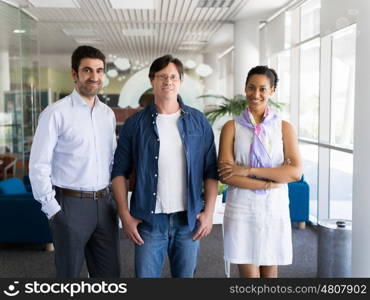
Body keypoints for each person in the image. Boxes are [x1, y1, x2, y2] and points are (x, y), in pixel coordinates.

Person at [111, 54, 218, 278]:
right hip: (149, 222)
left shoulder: (199, 122)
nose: (168, 81)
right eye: (162, 76)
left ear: (180, 81)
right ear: (152, 80)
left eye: (173, 76)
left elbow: (210, 171)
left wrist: (208, 213)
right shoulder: (135, 124)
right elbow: (119, 172)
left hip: (187, 221)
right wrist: (124, 215)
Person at [29, 45, 120, 278]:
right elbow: (38, 165)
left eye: (99, 71)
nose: (94, 77)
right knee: (69, 276)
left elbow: (111, 161)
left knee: (109, 276)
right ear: (74, 74)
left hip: (105, 204)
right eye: (87, 70)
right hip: (70, 206)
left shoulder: (107, 115)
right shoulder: (55, 113)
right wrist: (53, 210)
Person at [218, 65, 302, 278]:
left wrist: (247, 171)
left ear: (272, 90)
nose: (256, 94)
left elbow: (294, 173)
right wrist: (270, 180)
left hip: (274, 207)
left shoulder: (284, 128)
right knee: (248, 274)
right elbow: (227, 175)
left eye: (263, 89)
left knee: (270, 271)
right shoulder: (231, 127)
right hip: (242, 207)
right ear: (245, 89)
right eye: (251, 88)